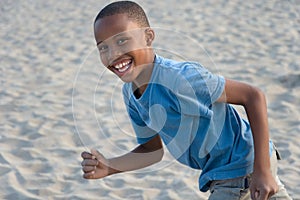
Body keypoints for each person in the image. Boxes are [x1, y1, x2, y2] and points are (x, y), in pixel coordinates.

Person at [81, 1, 292, 199]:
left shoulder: (181, 78)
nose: (113, 54)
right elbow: (151, 151)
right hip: (228, 170)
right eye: (103, 47)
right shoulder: (130, 94)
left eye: (121, 41)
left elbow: (253, 96)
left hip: (240, 166)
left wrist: (262, 169)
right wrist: (110, 166)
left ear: (148, 37)